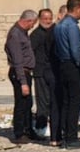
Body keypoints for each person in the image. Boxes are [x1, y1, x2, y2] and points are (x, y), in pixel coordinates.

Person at [53, 0, 80, 148]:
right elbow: (76, 50)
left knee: (67, 102)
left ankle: (66, 134)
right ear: (77, 9)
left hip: (63, 65)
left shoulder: (59, 25)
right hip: (72, 67)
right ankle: (71, 137)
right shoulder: (72, 26)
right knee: (75, 102)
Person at [5, 9, 38, 144]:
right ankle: (19, 133)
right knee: (21, 104)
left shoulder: (22, 33)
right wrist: (23, 82)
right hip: (20, 73)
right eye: (33, 23)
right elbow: (18, 61)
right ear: (28, 21)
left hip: (25, 72)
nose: (33, 26)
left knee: (28, 103)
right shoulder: (15, 35)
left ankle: (28, 130)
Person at [29, 8, 58, 142]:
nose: (48, 21)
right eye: (45, 18)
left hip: (52, 71)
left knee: (53, 101)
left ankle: (54, 128)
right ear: (40, 19)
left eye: (49, 18)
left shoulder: (55, 31)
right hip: (40, 72)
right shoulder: (35, 35)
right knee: (42, 101)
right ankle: (40, 129)